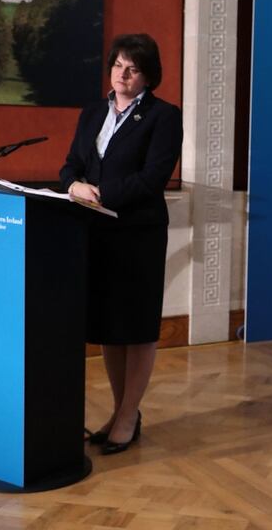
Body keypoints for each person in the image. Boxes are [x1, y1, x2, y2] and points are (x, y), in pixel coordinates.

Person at [60, 33, 182, 455]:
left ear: (148, 76)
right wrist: (75, 185)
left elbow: (153, 177)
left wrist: (102, 193)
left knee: (137, 327)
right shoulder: (93, 112)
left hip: (138, 234)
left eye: (132, 68)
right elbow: (72, 165)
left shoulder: (164, 116)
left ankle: (129, 415)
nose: (122, 74)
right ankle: (119, 409)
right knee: (110, 329)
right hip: (96, 232)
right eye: (117, 65)